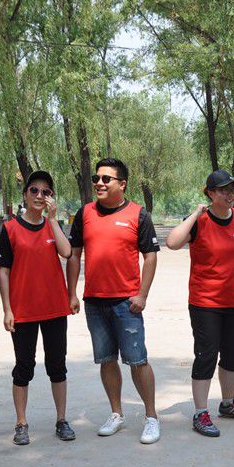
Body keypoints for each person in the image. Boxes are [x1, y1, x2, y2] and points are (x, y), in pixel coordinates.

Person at [67, 158, 162, 444]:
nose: (99, 183)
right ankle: (116, 413)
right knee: (106, 359)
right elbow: (74, 254)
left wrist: (142, 295)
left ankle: (151, 417)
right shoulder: (84, 213)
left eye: (106, 179)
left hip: (127, 303)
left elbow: (150, 256)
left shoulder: (138, 214)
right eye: (96, 178)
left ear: (122, 184)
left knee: (137, 360)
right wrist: (72, 293)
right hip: (95, 302)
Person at [166, 169, 234, 437]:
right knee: (207, 355)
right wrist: (195, 214)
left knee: (232, 353)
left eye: (233, 190)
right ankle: (200, 412)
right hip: (205, 302)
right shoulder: (200, 221)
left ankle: (228, 403)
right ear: (210, 193)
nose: (230, 195)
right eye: (223, 190)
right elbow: (172, 242)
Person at [0, 171, 75, 445]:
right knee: (23, 367)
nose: (40, 196)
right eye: (34, 190)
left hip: (54, 308)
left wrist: (53, 220)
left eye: (46, 192)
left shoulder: (53, 226)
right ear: (25, 195)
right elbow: (4, 272)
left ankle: (61, 420)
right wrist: (7, 309)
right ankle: (21, 423)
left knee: (57, 366)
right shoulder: (10, 229)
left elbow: (66, 252)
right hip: (24, 311)